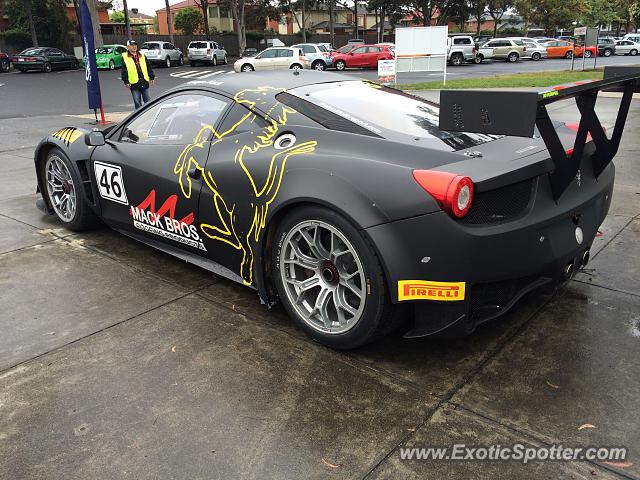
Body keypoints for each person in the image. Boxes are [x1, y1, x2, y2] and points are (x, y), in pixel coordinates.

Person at [121, 39, 156, 110]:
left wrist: (152, 76)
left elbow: (148, 66)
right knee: (137, 102)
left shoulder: (142, 55)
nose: (134, 47)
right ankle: (139, 117)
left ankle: (149, 114)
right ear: (128, 47)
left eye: (135, 45)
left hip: (144, 81)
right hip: (134, 83)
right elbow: (124, 70)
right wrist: (126, 81)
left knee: (148, 101)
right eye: (132, 45)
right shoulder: (125, 57)